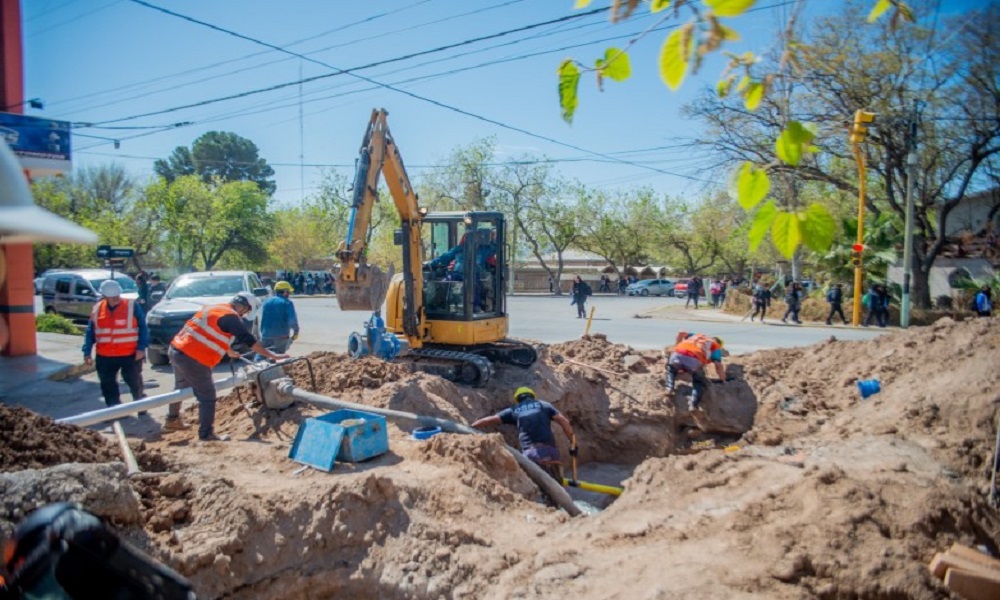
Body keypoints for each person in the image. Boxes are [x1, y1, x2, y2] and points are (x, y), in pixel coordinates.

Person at [163, 292, 288, 441]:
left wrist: (229, 351)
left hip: (177, 350)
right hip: (193, 356)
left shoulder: (215, 308)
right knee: (207, 396)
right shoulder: (231, 317)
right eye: (246, 311)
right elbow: (249, 340)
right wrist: (273, 356)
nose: (244, 315)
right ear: (243, 306)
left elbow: (208, 330)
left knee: (181, 387)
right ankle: (206, 434)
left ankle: (172, 420)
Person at [471, 386, 576, 482]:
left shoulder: (514, 410)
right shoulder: (544, 405)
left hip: (530, 453)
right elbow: (562, 420)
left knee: (534, 484)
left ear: (517, 400)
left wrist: (471, 427)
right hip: (551, 451)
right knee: (558, 483)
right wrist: (572, 440)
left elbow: (490, 420)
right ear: (533, 396)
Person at [82, 280, 148, 412]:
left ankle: (140, 404)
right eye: (112, 297)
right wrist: (87, 352)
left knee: (134, 382)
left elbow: (143, 328)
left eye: (117, 296)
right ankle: (114, 410)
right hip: (105, 355)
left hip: (129, 354)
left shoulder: (131, 306)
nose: (115, 299)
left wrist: (141, 348)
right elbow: (90, 332)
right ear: (104, 296)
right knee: (108, 385)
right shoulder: (97, 309)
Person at [664, 331, 727, 413]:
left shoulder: (697, 336)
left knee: (671, 369)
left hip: (678, 354)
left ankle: (669, 388)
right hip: (694, 359)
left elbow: (681, 333)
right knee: (698, 381)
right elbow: (718, 365)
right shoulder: (715, 346)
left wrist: (677, 346)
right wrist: (723, 379)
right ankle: (693, 405)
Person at [258, 280, 300, 357]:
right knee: (279, 356)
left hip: (265, 335)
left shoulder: (266, 301)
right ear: (285, 292)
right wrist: (296, 332)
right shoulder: (287, 302)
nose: (289, 294)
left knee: (264, 355)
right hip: (281, 336)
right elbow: (292, 320)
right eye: (288, 292)